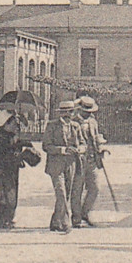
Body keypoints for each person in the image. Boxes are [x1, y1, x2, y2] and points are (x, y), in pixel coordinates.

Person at [0, 110, 36, 229]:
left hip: (12, 169)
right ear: (5, 124)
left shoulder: (14, 136)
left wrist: (27, 148)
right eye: (13, 123)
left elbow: (20, 147)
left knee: (11, 195)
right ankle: (0, 220)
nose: (15, 126)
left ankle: (9, 218)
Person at [43, 100, 82, 234]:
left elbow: (83, 143)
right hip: (56, 165)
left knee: (67, 194)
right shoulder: (52, 126)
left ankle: (55, 221)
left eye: (70, 112)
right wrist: (62, 150)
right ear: (60, 113)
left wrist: (80, 149)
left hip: (71, 163)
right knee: (61, 192)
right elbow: (46, 146)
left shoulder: (76, 126)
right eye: (65, 112)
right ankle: (66, 223)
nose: (67, 115)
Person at [71, 96, 105, 228]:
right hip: (77, 161)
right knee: (77, 190)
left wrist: (100, 147)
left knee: (95, 188)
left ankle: (85, 213)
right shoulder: (73, 122)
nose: (89, 113)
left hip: (91, 159)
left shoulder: (92, 122)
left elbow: (96, 137)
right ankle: (76, 218)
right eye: (86, 111)